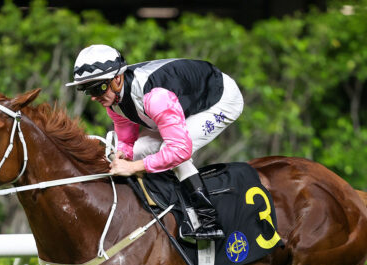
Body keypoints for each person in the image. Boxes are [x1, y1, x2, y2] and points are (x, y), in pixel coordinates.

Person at [66, 44, 244, 240]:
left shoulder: (155, 97)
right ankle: (166, 206)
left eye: (97, 88)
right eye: (86, 90)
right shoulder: (112, 101)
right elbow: (127, 139)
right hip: (183, 100)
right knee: (142, 148)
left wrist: (133, 166)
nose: (93, 97)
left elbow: (179, 151)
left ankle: (207, 219)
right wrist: (122, 154)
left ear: (117, 79)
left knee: (168, 150)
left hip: (220, 100)